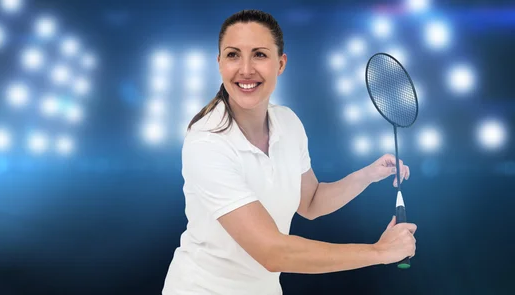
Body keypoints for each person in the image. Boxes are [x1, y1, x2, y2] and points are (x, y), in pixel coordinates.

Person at [162, 9, 416, 295]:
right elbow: (272, 252)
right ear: (219, 63)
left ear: (280, 64)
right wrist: (379, 252)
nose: (245, 69)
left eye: (259, 54)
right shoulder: (206, 142)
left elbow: (310, 202)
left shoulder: (288, 123)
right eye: (233, 55)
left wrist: (368, 175)